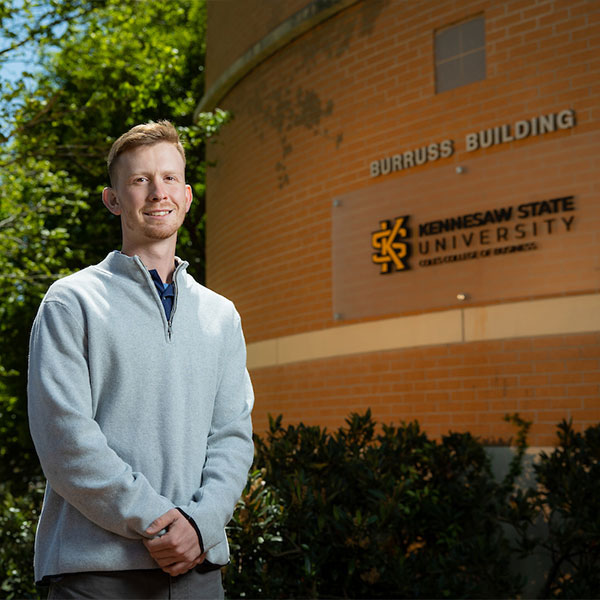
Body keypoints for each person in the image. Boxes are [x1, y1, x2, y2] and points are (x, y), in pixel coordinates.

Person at [27, 120, 254, 599]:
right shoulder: (72, 302)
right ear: (113, 199)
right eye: (139, 180)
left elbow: (232, 438)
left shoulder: (221, 315)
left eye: (170, 178)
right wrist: (157, 522)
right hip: (94, 573)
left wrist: (198, 525)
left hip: (197, 571)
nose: (158, 193)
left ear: (188, 196)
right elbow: (64, 439)